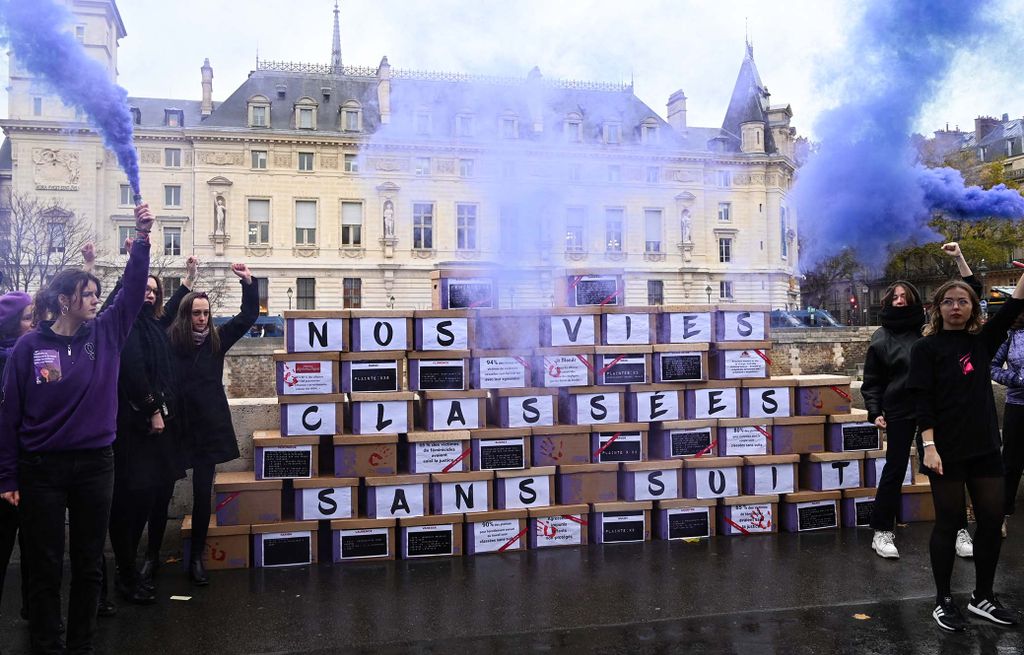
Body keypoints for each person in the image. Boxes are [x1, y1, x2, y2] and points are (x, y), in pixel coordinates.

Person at [0, 203, 153, 653]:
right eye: (87, 293)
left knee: (89, 561)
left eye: (96, 293)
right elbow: (8, 416)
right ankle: (47, 642)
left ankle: (82, 644)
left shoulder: (106, 333)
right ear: (65, 300)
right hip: (41, 468)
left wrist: (142, 240)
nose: (95, 299)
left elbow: (129, 293)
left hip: (94, 466)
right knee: (45, 563)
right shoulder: (29, 347)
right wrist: (7, 475)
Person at [909, 269, 1024, 631]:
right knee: (948, 522)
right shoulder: (925, 348)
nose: (955, 307)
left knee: (991, 520)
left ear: (973, 307)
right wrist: (928, 445)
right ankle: (943, 600)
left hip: (985, 447)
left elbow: (1014, 305)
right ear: (938, 308)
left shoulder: (983, 341)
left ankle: (982, 597)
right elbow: (922, 400)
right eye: (948, 302)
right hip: (943, 449)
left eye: (962, 301)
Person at [863, 242, 979, 559]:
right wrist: (875, 411)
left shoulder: (929, 331)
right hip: (900, 408)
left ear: (914, 301)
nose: (900, 301)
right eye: (895, 297)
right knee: (895, 468)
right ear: (888, 302)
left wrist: (959, 259)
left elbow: (970, 293)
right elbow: (873, 380)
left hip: (936, 408)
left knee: (947, 469)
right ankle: (882, 531)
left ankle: (958, 530)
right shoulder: (880, 339)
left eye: (905, 297)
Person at [103, 256, 197, 604]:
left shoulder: (155, 325)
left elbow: (172, 308)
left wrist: (187, 280)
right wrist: (153, 409)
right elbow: (133, 371)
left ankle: (129, 574)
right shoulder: (126, 326)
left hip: (156, 429)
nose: (149, 294)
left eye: (154, 290)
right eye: (143, 288)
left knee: (144, 503)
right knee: (128, 507)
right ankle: (125, 577)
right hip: (136, 428)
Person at [168, 263, 258, 585]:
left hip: (206, 426)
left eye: (206, 313)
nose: (202, 318)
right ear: (186, 314)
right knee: (162, 490)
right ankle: (151, 559)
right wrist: (185, 283)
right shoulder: (172, 340)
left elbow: (247, 317)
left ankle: (196, 559)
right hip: (177, 426)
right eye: (196, 313)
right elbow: (160, 319)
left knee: (202, 492)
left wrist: (248, 282)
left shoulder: (216, 341)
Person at [0, 291, 33, 623]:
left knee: (36, 551)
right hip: (6, 474)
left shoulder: (37, 355)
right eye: (26, 317)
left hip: (35, 468)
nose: (33, 324)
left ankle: (34, 611)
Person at [990, 308, 1024, 538]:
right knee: (1011, 463)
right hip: (1018, 406)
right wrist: (1015, 379)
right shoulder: (1010, 335)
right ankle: (1001, 514)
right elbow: (990, 366)